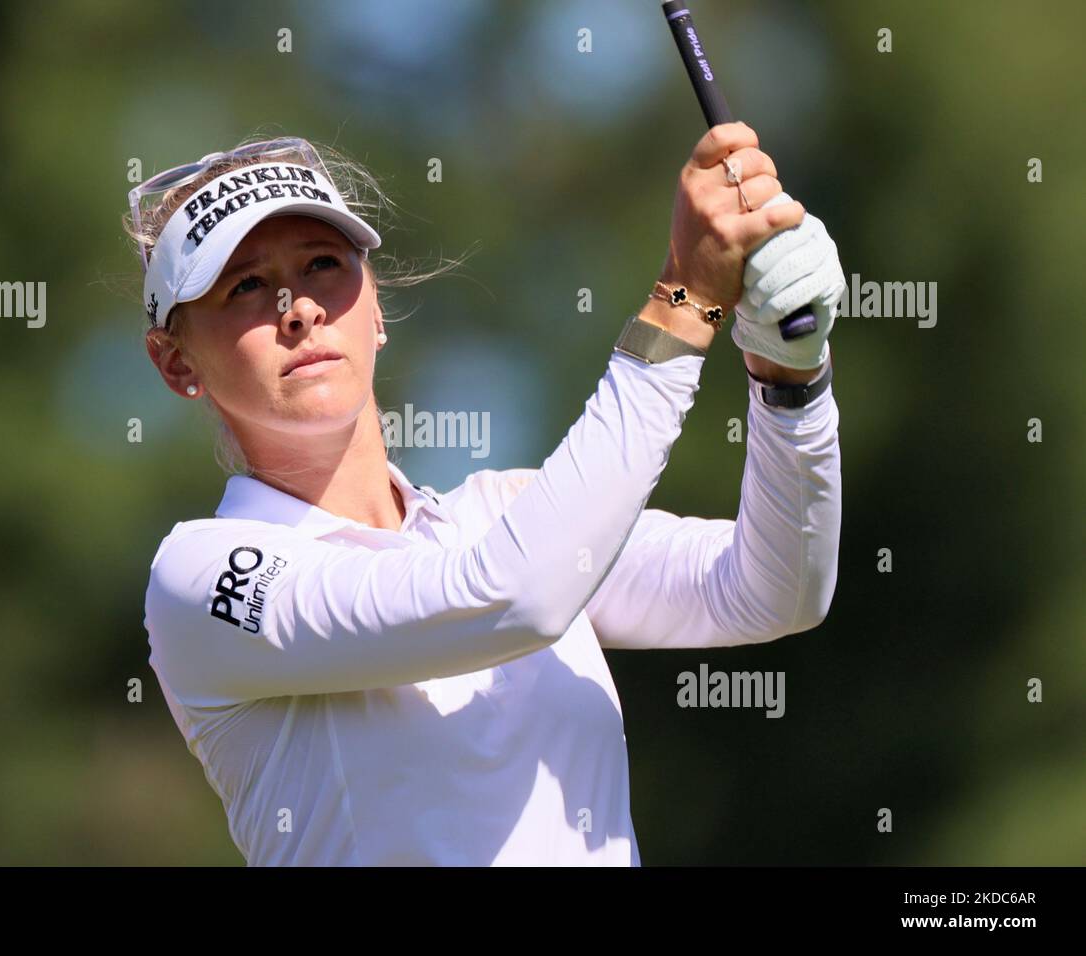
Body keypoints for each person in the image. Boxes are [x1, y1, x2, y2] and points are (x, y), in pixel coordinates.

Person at [126, 127, 843, 866]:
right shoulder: (201, 580)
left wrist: (789, 378)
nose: (298, 307)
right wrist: (683, 305)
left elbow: (772, 592)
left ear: (375, 311)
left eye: (322, 265)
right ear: (176, 362)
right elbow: (515, 598)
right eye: (246, 285)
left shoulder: (507, 514)